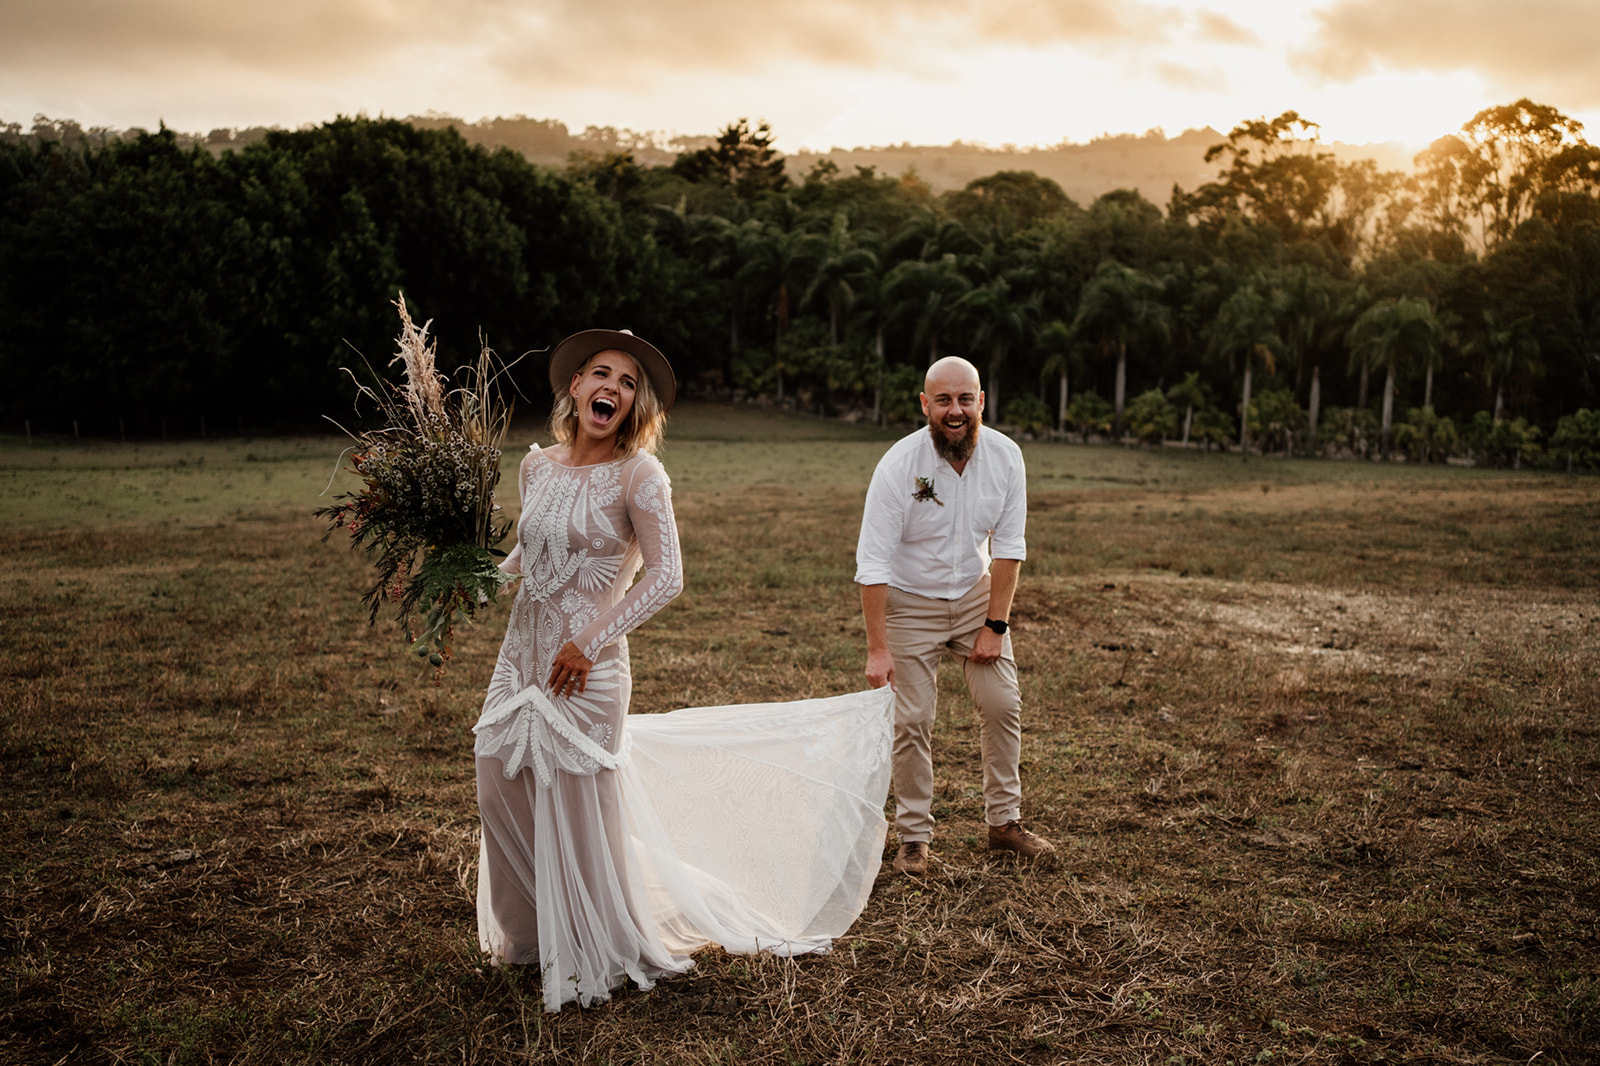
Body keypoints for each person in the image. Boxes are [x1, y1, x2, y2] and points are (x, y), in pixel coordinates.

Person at [473, 328, 893, 1011]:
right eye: (600, 373)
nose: (612, 387)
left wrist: (589, 641)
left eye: (629, 382)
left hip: (587, 669)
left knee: (577, 806)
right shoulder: (537, 466)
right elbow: (526, 554)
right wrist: (469, 582)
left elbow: (667, 576)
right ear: (574, 387)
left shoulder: (639, 473)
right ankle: (532, 937)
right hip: (518, 661)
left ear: (635, 407)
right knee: (498, 779)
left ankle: (597, 943)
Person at [855, 356, 1055, 876]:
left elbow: (1010, 548)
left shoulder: (1007, 458)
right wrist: (878, 648)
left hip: (974, 597)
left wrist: (994, 625)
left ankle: (1004, 824)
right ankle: (914, 840)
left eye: (965, 398)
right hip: (908, 602)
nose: (955, 410)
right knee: (912, 719)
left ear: (981, 401)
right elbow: (872, 562)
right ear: (925, 405)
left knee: (1002, 703)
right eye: (943, 400)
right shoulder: (899, 464)